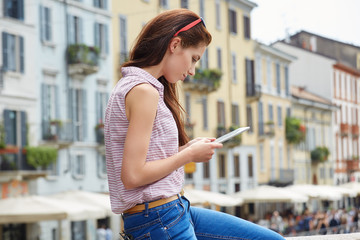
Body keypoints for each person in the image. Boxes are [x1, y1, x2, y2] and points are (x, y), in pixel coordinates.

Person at [105, 8, 285, 240]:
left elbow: (149, 160)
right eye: (193, 59)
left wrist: (186, 149)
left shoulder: (139, 87)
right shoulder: (142, 91)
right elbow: (133, 175)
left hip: (172, 212)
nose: (191, 70)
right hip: (159, 219)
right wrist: (188, 156)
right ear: (175, 44)